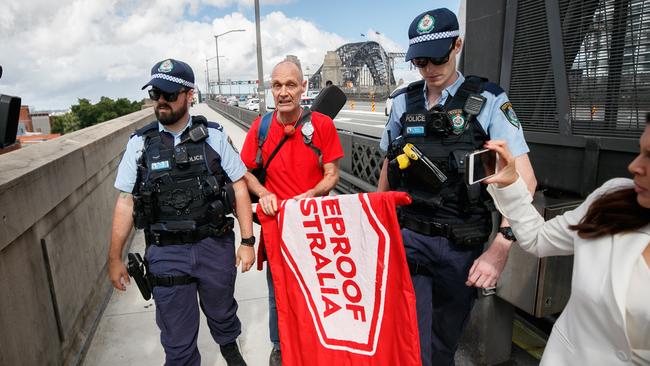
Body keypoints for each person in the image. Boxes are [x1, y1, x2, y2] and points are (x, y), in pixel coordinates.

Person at [376, 8, 537, 366]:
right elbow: (388, 164)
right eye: (419, 60)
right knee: (410, 343)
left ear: (457, 45)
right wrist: (377, 226)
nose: (428, 68)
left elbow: (525, 179)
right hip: (409, 240)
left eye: (437, 57)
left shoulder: (490, 101)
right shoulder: (403, 101)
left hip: (461, 246)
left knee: (443, 345)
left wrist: (501, 247)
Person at [107, 58, 255, 366]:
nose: (161, 100)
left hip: (213, 244)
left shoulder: (213, 136)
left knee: (222, 310)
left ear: (189, 95)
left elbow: (240, 187)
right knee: (177, 339)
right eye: (155, 93)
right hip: (166, 253)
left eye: (170, 94)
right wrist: (114, 258)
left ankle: (229, 347)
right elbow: (125, 202)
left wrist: (247, 241)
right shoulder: (139, 145)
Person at [483, 121, 650, 365]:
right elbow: (537, 238)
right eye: (640, 151)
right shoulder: (613, 199)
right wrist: (510, 183)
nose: (635, 166)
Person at [239, 60, 344, 366]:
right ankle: (280, 347)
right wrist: (264, 193)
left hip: (314, 226)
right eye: (277, 85)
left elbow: (332, 174)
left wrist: (311, 194)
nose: (283, 92)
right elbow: (244, 173)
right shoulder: (262, 127)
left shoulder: (322, 125)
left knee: (319, 288)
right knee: (279, 293)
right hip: (278, 228)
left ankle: (317, 344)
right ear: (271, 89)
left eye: (290, 85)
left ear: (303, 87)